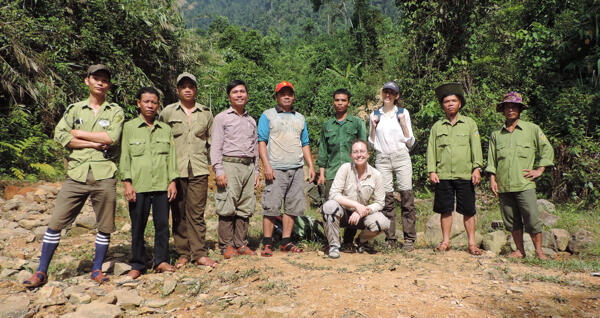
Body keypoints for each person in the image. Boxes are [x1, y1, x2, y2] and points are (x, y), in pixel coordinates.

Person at [23, 64, 124, 287]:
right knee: (56, 222)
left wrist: (77, 133)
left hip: (104, 173)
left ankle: (97, 269)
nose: (100, 82)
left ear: (108, 85)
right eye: (96, 78)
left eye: (104, 80)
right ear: (86, 81)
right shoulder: (75, 109)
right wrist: (93, 142)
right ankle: (41, 271)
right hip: (76, 173)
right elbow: (61, 135)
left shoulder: (115, 111)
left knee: (105, 225)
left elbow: (112, 137)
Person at [486, 92, 554, 259]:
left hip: (524, 183)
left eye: (514, 106)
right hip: (504, 185)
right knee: (511, 220)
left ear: (520, 109)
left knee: (531, 218)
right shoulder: (496, 134)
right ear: (502, 110)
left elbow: (547, 148)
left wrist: (539, 170)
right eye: (507, 107)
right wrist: (492, 180)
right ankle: (519, 250)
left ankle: (539, 251)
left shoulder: (532, 129)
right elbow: (492, 159)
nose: (510, 110)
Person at [120, 87, 179, 279]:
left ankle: (161, 260)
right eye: (146, 101)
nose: (150, 105)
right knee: (138, 225)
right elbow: (125, 157)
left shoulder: (165, 129)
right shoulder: (129, 128)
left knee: (162, 225)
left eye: (154, 102)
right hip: (139, 185)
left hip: (162, 185)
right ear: (138, 103)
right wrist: (127, 182)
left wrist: (173, 181)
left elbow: (171, 157)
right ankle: (137, 263)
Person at [160, 72, 217, 268]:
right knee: (178, 212)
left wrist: (214, 166)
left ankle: (199, 252)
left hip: (199, 169)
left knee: (197, 212)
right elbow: (161, 141)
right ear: (177, 90)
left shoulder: (206, 113)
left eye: (191, 86)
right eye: (183, 86)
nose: (187, 89)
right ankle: (183, 252)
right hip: (176, 170)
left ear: (195, 89)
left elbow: (211, 142)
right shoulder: (168, 113)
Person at [258, 81, 316, 256]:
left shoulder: (300, 118)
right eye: (282, 93)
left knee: (292, 207)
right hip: (275, 168)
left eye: (289, 93)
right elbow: (262, 142)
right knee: (271, 206)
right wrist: (266, 165)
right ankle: (267, 243)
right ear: (276, 96)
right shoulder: (267, 116)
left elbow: (305, 143)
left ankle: (286, 241)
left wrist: (310, 166)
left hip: (296, 168)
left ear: (293, 96)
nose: (286, 96)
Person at [426, 82, 484, 255]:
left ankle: (472, 244)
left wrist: (477, 168)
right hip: (443, 174)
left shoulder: (470, 124)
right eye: (446, 101)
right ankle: (446, 241)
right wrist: (432, 170)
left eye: (453, 100)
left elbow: (476, 147)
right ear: (442, 105)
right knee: (445, 209)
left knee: (468, 210)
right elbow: (431, 149)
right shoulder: (437, 126)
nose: (450, 103)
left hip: (465, 174)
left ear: (460, 103)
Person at [210, 80, 260, 259]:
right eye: (235, 92)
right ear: (229, 96)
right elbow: (215, 146)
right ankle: (226, 245)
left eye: (242, 91)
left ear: (247, 95)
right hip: (229, 165)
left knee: (245, 206)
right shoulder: (222, 118)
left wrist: (256, 171)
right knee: (227, 205)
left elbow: (255, 147)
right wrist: (219, 170)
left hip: (248, 166)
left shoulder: (251, 121)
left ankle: (240, 243)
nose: (239, 95)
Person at [368, 81, 417, 251]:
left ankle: (409, 238)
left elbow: (410, 142)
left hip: (401, 157)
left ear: (397, 96)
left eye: (391, 93)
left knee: (406, 197)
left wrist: (402, 123)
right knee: (386, 199)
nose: (387, 95)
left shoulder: (403, 113)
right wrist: (374, 126)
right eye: (385, 92)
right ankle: (391, 238)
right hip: (382, 159)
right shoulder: (375, 114)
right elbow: (372, 143)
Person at [321, 139, 389, 258]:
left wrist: (361, 211)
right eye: (355, 152)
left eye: (362, 151)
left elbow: (379, 203)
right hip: (344, 213)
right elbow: (334, 194)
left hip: (363, 215)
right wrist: (356, 205)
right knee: (329, 206)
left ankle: (361, 241)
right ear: (351, 155)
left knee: (383, 222)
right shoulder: (345, 168)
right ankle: (334, 245)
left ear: (368, 154)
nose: (359, 155)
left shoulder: (376, 175)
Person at [317, 88, 367, 251]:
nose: (340, 103)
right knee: (329, 206)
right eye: (337, 100)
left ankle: (348, 241)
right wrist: (322, 174)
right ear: (333, 102)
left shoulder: (357, 123)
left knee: (352, 205)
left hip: (352, 172)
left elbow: (363, 147)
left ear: (348, 102)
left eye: (343, 100)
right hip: (332, 173)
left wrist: (362, 172)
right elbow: (323, 150)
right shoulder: (327, 125)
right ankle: (333, 241)